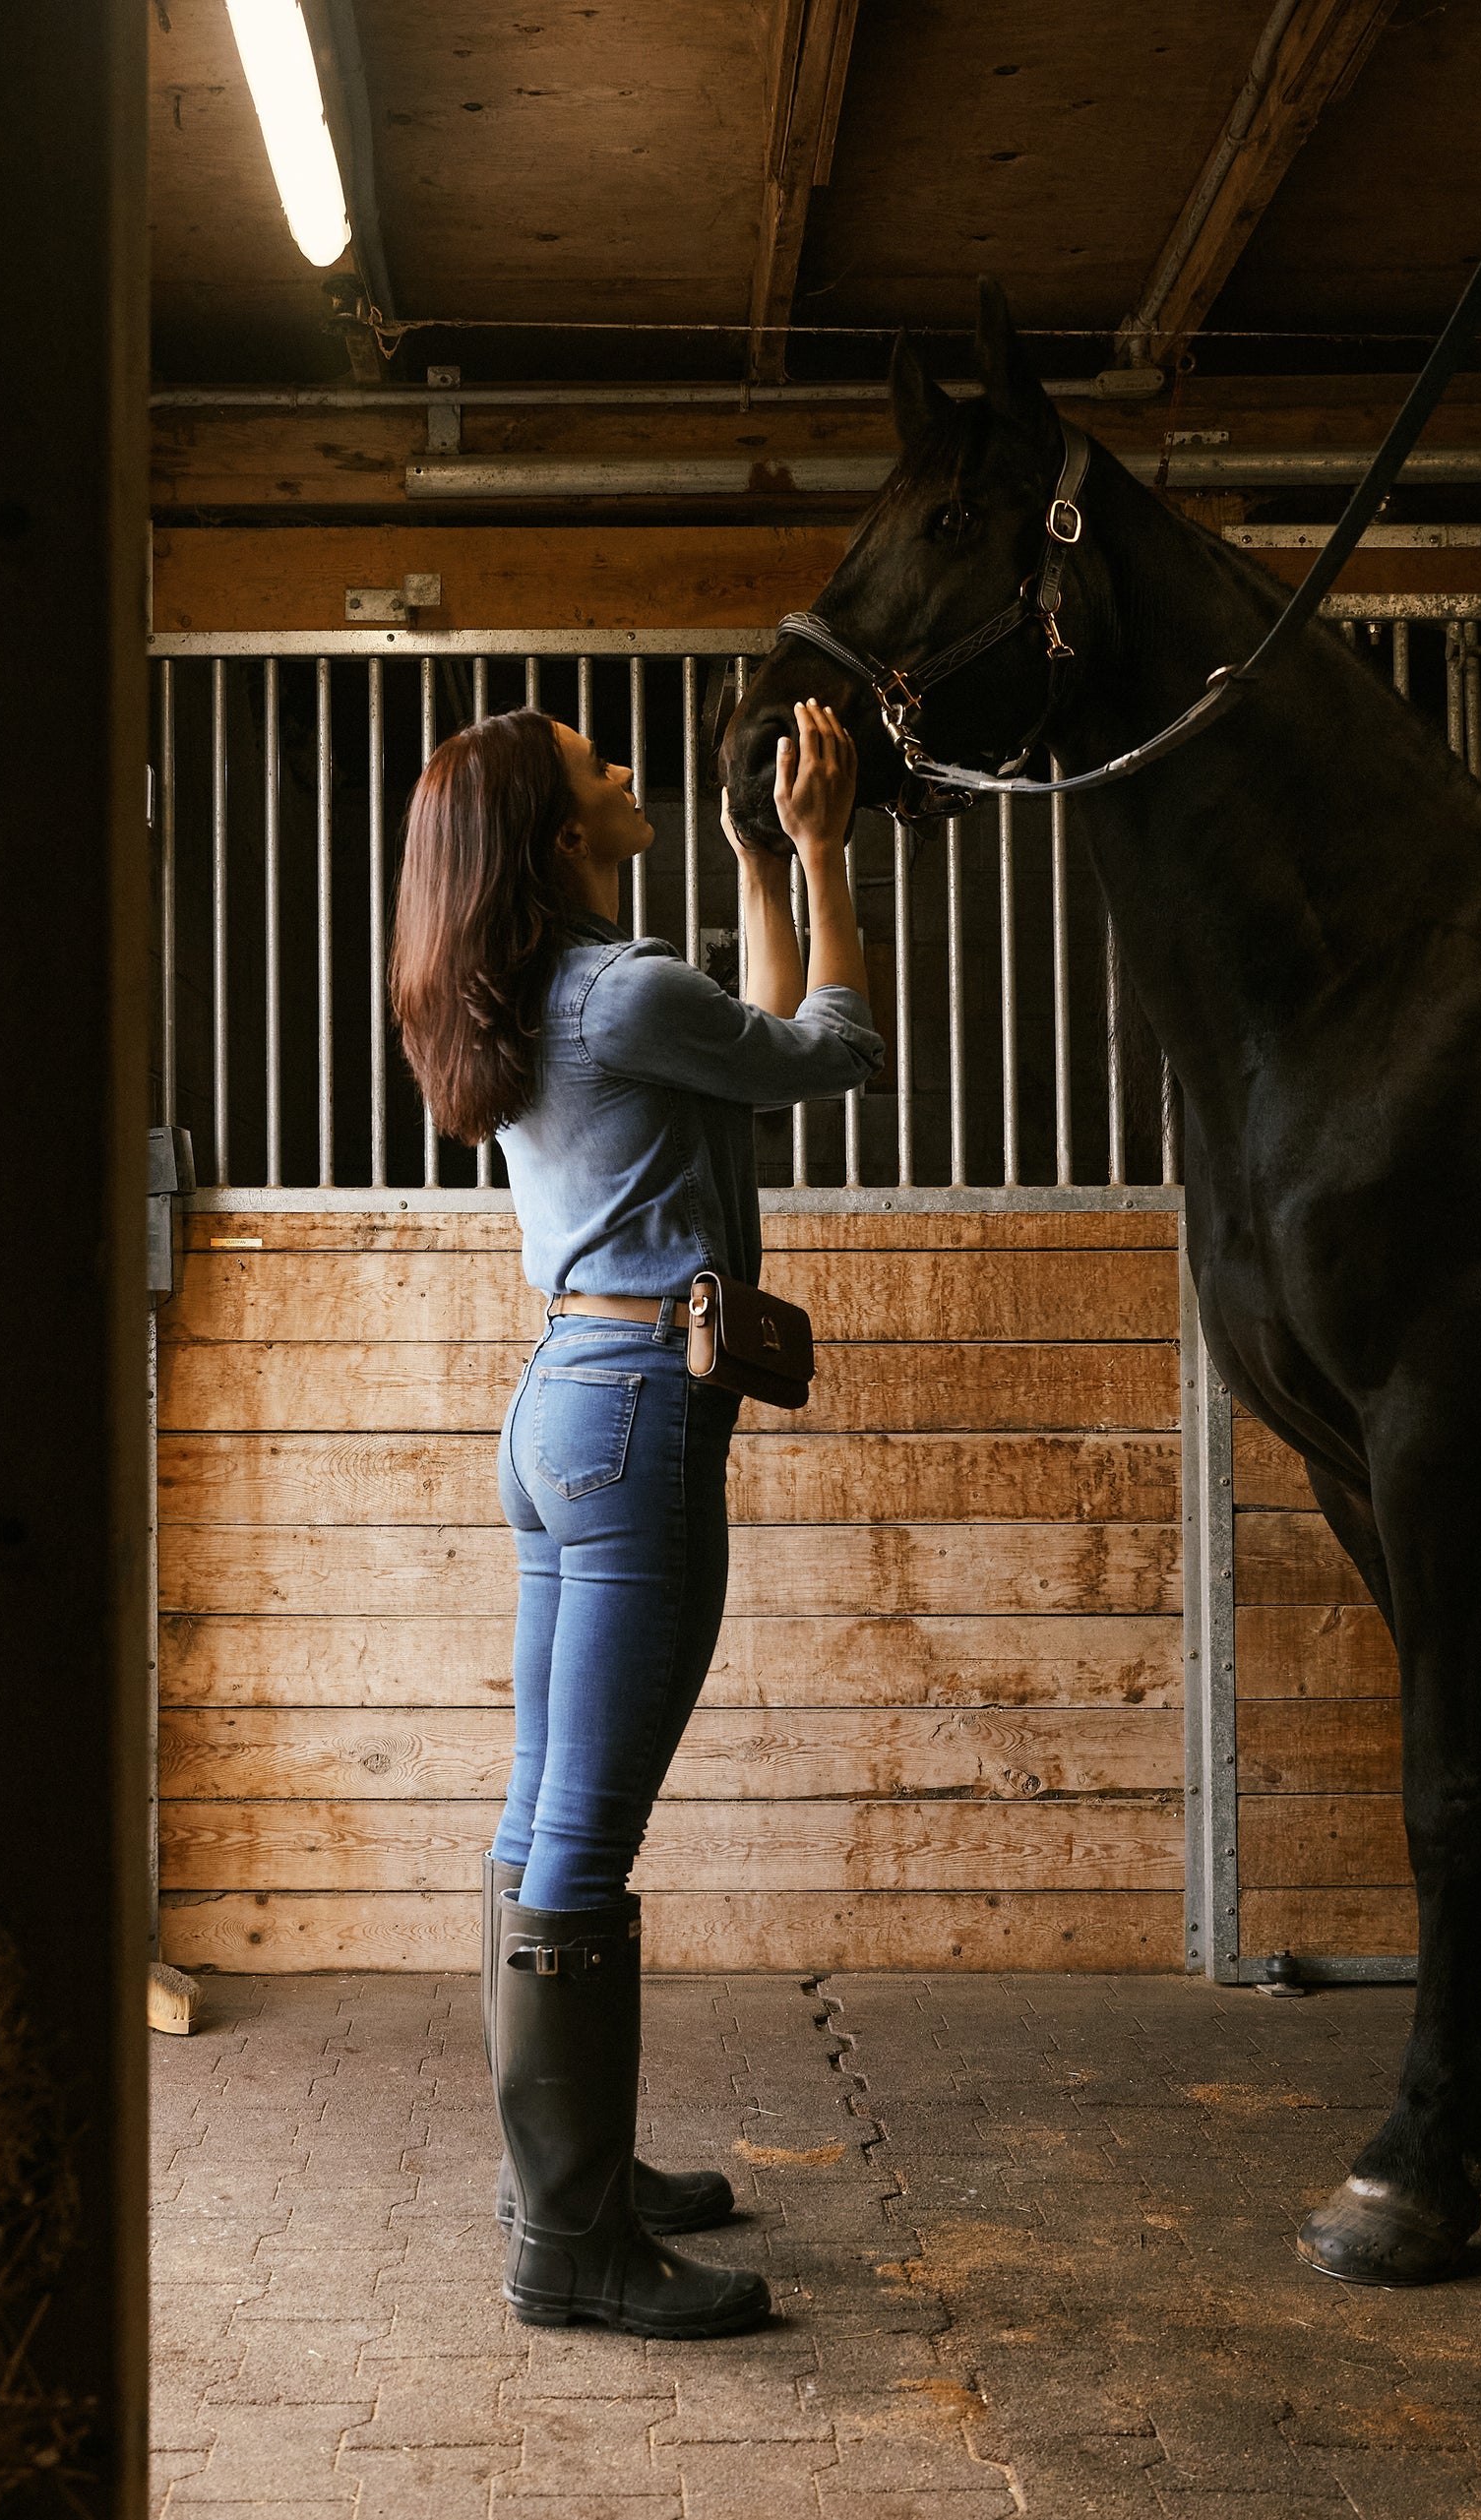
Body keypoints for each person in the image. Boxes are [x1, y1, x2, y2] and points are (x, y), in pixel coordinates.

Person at [388, 698, 883, 2339]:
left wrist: (751, 857)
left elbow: (732, 1027)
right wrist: (821, 854)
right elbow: (828, 1047)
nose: (625, 770)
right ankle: (570, 2242)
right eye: (600, 767)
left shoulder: (547, 996)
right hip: (633, 1421)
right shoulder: (625, 992)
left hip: (562, 1403)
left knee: (543, 1810)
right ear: (557, 835)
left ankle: (569, 2173)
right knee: (584, 1836)